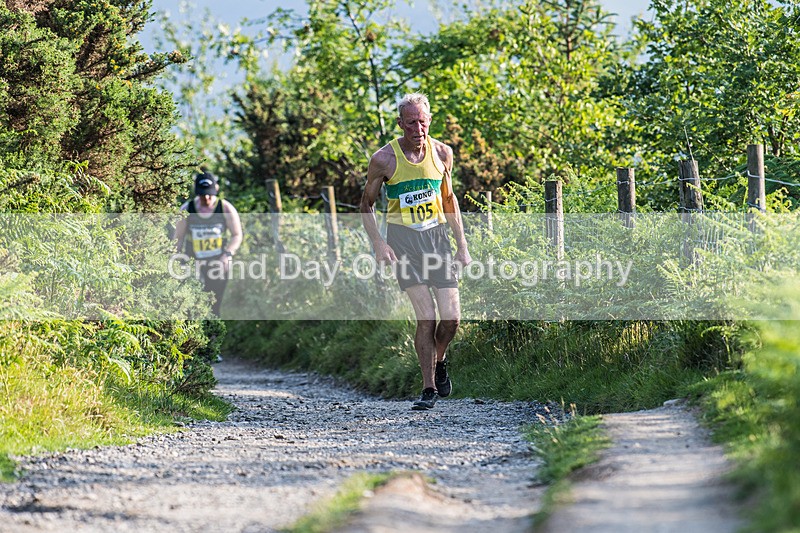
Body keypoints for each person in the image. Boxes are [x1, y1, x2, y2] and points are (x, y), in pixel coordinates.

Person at [360, 93, 471, 411]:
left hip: (437, 242)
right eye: (411, 122)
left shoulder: (442, 154)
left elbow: (450, 201)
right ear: (400, 123)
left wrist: (462, 246)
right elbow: (366, 205)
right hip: (404, 244)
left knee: (451, 319)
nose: (418, 128)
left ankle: (440, 360)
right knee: (427, 317)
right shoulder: (384, 159)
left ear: (430, 121)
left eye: (423, 121)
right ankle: (428, 389)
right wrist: (379, 244)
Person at [173, 171, 243, 316]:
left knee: (214, 304)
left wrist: (228, 254)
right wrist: (174, 261)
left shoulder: (225, 208)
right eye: (202, 194)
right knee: (192, 303)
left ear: (216, 190)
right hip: (193, 261)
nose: (206, 197)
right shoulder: (187, 209)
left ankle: (212, 336)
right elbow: (178, 239)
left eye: (209, 194)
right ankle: (192, 336)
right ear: (196, 192)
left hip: (218, 262)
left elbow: (237, 235)